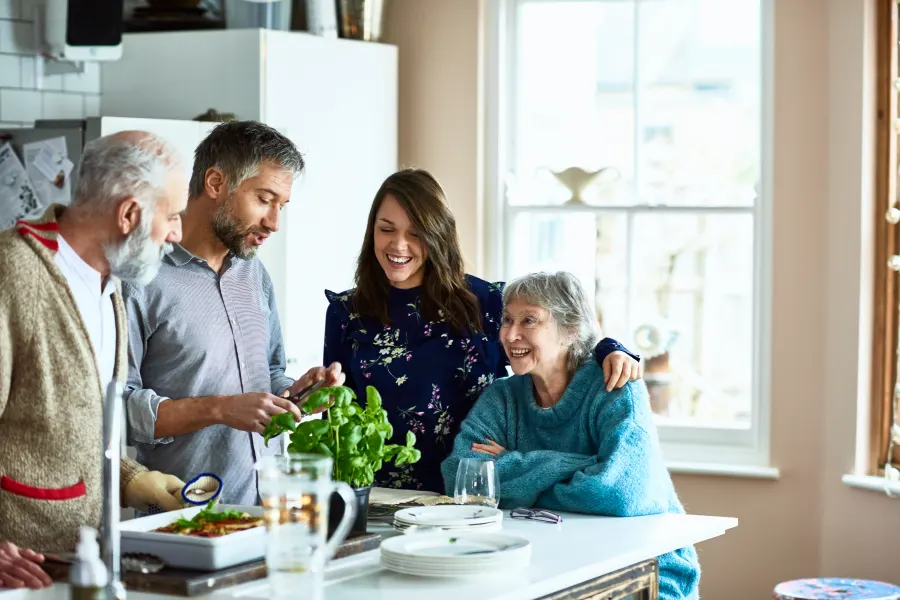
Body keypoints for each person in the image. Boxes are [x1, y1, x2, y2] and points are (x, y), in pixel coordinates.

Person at [323, 168, 642, 492]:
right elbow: (334, 417)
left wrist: (612, 348)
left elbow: (560, 334)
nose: (399, 245)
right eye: (386, 229)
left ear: (437, 234)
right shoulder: (346, 312)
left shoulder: (485, 302)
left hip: (469, 494)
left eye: (416, 233)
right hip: (374, 496)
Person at [0, 131, 191, 589]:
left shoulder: (111, 285)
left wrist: (131, 478)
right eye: (172, 216)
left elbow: (60, 431)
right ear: (128, 214)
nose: (176, 234)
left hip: (78, 569)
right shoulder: (13, 274)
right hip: (20, 579)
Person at [441, 271, 700, 600]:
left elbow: (619, 492)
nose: (510, 334)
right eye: (507, 320)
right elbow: (462, 478)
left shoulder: (616, 387)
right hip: (549, 562)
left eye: (529, 320)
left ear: (572, 328)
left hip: (644, 567)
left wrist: (508, 467)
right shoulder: (502, 397)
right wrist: (582, 465)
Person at [124, 121, 344, 507]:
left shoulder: (253, 273)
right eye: (264, 199)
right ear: (215, 183)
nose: (274, 223)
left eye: (281, 206)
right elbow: (119, 409)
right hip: (183, 520)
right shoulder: (139, 278)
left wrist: (299, 394)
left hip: (268, 512)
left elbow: (270, 374)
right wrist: (220, 409)